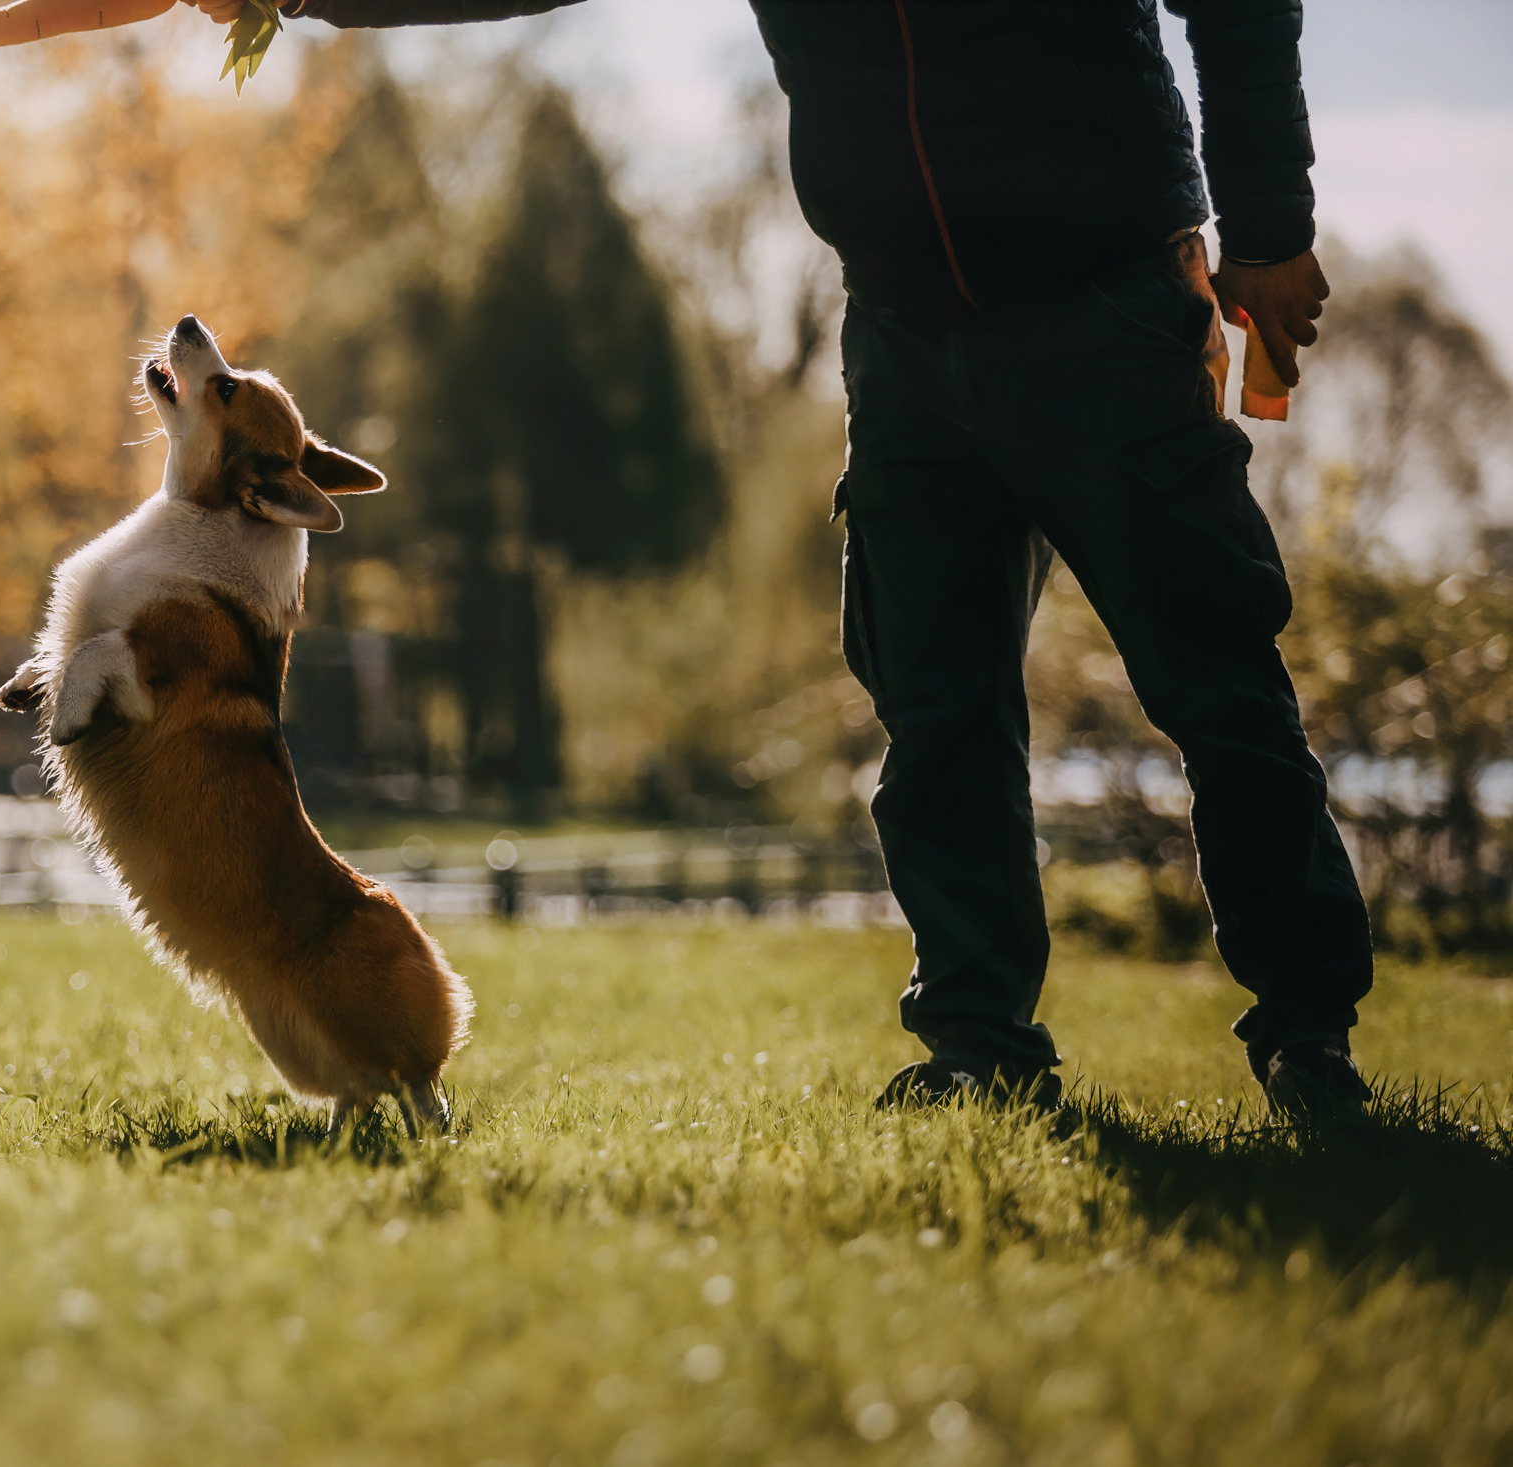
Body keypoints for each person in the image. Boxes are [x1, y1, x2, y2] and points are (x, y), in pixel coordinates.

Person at [180, 0, 1371, 1117]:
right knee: (935, 707)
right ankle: (979, 1051)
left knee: (1216, 678)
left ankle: (1308, 1036)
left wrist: (1267, 224)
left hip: (1106, 306)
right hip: (904, 334)